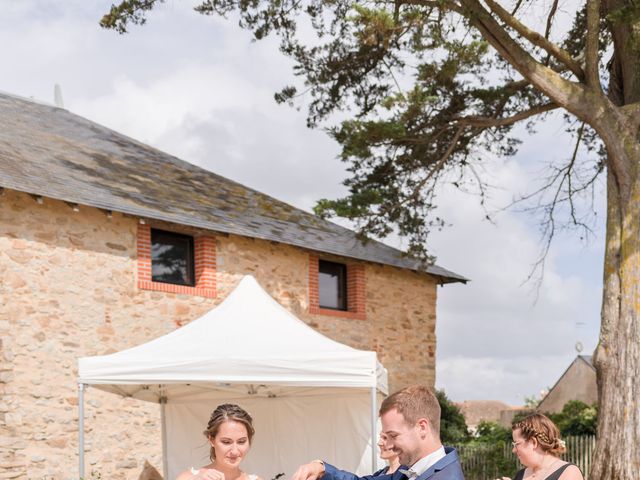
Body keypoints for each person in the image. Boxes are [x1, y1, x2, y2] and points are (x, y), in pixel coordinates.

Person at [291, 385, 464, 480]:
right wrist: (321, 469)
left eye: (394, 436)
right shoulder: (408, 470)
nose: (387, 444)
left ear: (422, 427)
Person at [177, 403, 263, 480]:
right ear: (211, 440)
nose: (234, 451)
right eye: (226, 442)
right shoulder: (189, 478)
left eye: (241, 441)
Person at [497, 413, 583, 480]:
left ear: (533, 442)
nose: (514, 450)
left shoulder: (569, 472)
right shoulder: (521, 475)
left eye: (516, 444)